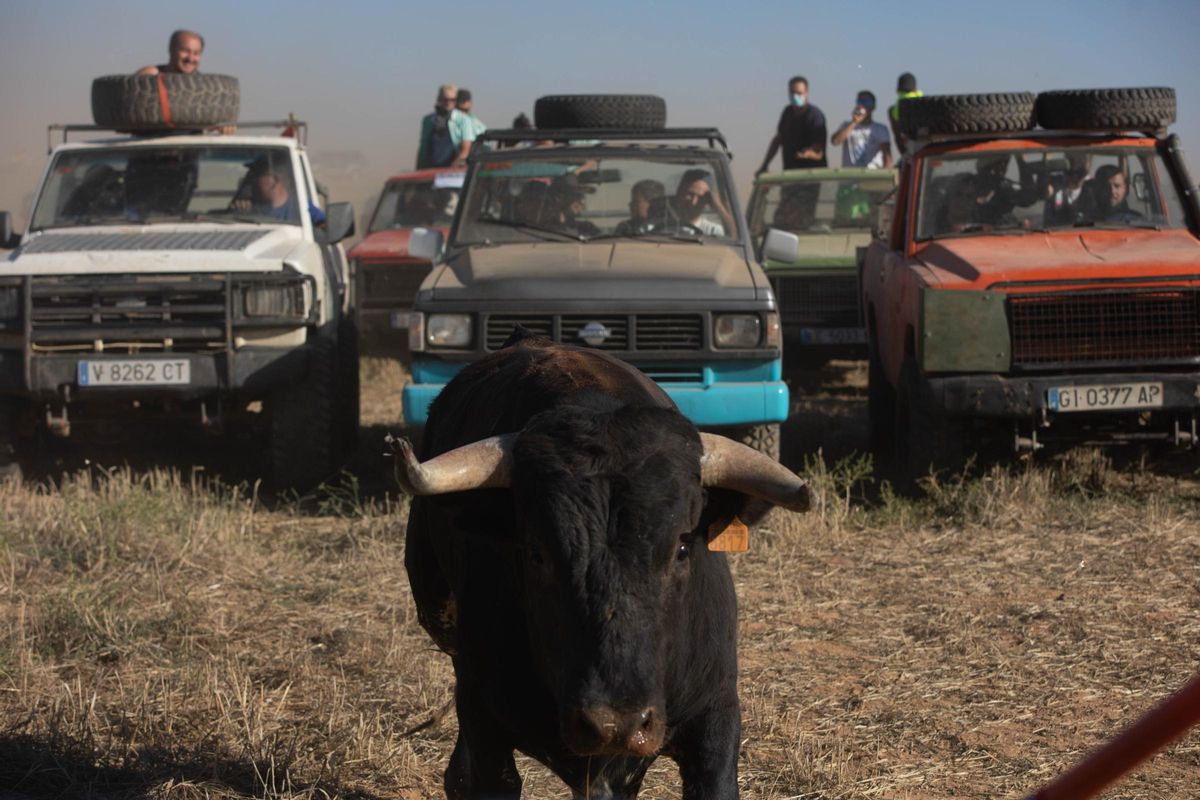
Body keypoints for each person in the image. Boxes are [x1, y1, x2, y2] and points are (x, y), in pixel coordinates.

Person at [757, 76, 827, 176]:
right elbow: (778, 140)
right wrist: (764, 165)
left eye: (799, 93)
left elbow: (819, 152)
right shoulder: (787, 113)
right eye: (792, 93)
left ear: (806, 93)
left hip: (812, 177)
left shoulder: (815, 116)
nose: (795, 96)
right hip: (789, 174)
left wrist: (808, 153)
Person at [233, 157, 325, 225]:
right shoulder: (248, 206)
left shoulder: (301, 205)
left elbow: (325, 225)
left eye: (260, 175)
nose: (255, 181)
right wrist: (238, 207)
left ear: (277, 179)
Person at [416, 84, 477, 169]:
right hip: (431, 168)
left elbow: (465, 150)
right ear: (439, 99)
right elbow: (423, 149)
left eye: (452, 100)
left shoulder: (463, 120)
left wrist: (452, 169)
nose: (449, 102)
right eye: (445, 99)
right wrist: (419, 168)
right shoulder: (429, 121)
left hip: (453, 171)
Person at [831, 91, 893, 169]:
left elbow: (887, 157)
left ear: (873, 106)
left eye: (867, 102)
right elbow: (835, 141)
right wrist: (854, 122)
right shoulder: (846, 126)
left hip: (871, 176)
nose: (863, 106)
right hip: (850, 177)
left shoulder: (881, 129)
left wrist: (885, 176)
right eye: (860, 102)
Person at [671, 169, 735, 236]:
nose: (693, 202)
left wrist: (719, 207)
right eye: (689, 194)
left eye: (700, 197)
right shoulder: (663, 226)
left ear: (708, 201)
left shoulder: (713, 231)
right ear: (680, 193)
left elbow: (734, 237)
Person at [1042, 153, 1091, 226]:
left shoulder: (1092, 186)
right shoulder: (1055, 182)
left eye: (1082, 160)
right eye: (1071, 160)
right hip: (1055, 233)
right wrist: (1045, 161)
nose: (1076, 163)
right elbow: (1043, 189)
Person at [136, 29, 204, 76]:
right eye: (185, 51)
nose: (190, 58)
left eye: (196, 53)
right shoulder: (151, 76)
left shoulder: (206, 85)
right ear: (171, 49)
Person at [888, 73, 923, 155]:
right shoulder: (928, 104)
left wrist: (904, 155)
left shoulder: (892, 110)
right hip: (929, 149)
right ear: (915, 89)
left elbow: (897, 137)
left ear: (897, 90)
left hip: (909, 149)